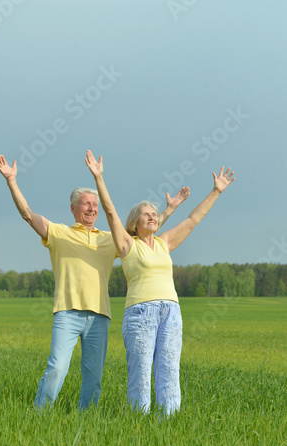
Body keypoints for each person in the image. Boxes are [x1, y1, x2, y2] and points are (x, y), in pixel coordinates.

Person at [0, 154, 187, 411]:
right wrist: (11, 181)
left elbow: (140, 228)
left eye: (95, 205)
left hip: (99, 316)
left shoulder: (109, 239)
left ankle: (85, 420)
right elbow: (28, 215)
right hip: (68, 313)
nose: (92, 208)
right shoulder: (59, 233)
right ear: (73, 208)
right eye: (85, 204)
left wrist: (168, 210)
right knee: (58, 367)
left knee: (94, 380)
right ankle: (39, 414)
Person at [85, 149, 235, 415]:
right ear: (135, 222)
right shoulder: (127, 245)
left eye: (155, 213)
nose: (153, 216)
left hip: (171, 312)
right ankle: (140, 423)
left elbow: (193, 219)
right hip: (140, 313)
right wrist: (99, 178)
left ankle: (169, 423)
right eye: (146, 214)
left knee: (169, 370)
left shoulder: (164, 244)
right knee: (141, 374)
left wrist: (216, 191)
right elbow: (109, 211)